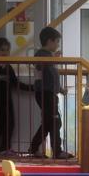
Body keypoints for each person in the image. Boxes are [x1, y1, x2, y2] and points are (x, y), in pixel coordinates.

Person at [29, 26, 70, 158]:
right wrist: (53, 57)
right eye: (57, 41)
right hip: (45, 93)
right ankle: (56, 151)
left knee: (49, 122)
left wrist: (60, 89)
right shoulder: (41, 54)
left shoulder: (48, 57)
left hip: (49, 93)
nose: (58, 45)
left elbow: (52, 77)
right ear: (49, 41)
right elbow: (39, 65)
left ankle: (35, 148)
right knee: (54, 121)